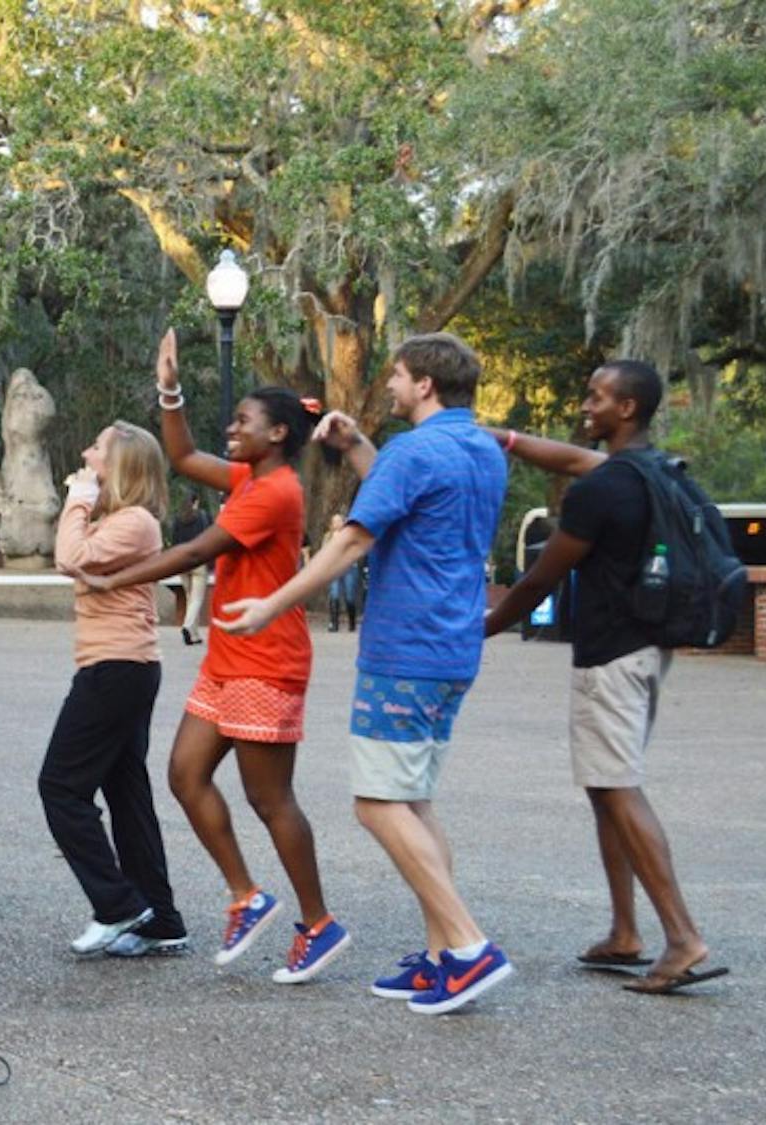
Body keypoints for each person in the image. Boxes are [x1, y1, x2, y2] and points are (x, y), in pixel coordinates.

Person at [217, 332, 512, 1015]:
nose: (390, 386)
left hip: (405, 648)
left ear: (426, 386)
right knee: (412, 800)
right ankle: (443, 955)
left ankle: (469, 947)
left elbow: (354, 536)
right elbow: (412, 498)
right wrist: (353, 449)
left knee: (377, 803)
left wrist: (274, 602)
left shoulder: (415, 450)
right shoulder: (481, 450)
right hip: (454, 647)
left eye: (399, 377)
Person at [75, 328, 347, 983]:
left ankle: (318, 922)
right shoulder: (250, 477)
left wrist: (119, 575)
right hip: (227, 657)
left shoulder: (276, 491)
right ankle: (246, 895)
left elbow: (200, 550)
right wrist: (168, 387)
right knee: (185, 773)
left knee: (269, 797)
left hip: (268, 659)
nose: (232, 427)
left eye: (244, 420)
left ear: (278, 433)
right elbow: (183, 452)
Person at [483, 361, 726, 995]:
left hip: (612, 656)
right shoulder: (651, 471)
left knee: (618, 786)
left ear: (627, 409)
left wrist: (478, 628)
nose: (585, 405)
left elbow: (541, 577)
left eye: (597, 397)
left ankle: (682, 937)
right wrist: (504, 439)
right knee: (604, 787)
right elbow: (567, 459)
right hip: (645, 648)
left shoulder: (602, 490)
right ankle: (625, 931)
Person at [42, 421, 188, 957]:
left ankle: (118, 905)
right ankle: (162, 920)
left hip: (116, 669)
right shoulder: (122, 521)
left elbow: (69, 558)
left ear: (121, 464)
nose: (85, 452)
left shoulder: (136, 522)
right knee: (127, 795)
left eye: (96, 448)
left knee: (60, 787)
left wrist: (78, 500)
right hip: (119, 668)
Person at [170, 492, 210, 646]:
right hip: (198, 562)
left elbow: (174, 541)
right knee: (196, 599)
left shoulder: (177, 519)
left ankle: (195, 634)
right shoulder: (203, 517)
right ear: (196, 502)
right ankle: (187, 627)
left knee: (189, 597)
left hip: (182, 563)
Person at [322, 513, 359, 633]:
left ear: (344, 523)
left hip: (349, 568)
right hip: (334, 569)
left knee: (349, 597)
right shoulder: (328, 537)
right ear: (331, 525)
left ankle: (352, 622)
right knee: (334, 594)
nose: (337, 524)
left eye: (339, 521)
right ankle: (334, 623)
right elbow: (324, 553)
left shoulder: (350, 535)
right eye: (334, 521)